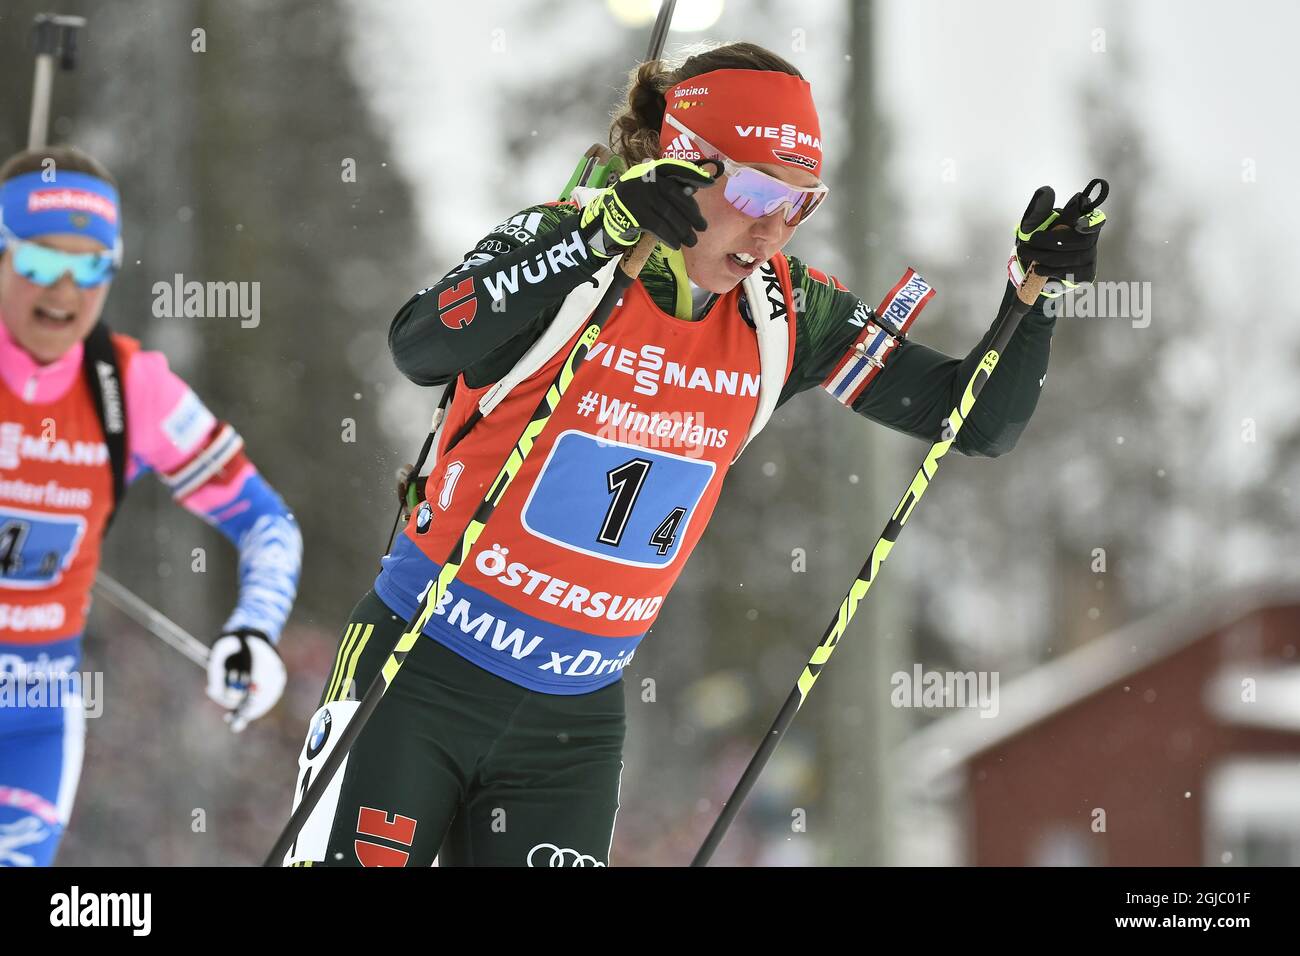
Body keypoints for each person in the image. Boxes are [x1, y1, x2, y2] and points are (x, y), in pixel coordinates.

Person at [285, 41, 1104, 867]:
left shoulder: (786, 313)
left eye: (799, 204)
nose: (769, 229)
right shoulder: (567, 245)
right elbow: (419, 345)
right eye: (751, 191)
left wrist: (1032, 297)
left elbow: (976, 421)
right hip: (419, 673)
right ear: (682, 162)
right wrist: (596, 235)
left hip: (571, 724)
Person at [0, 146, 303, 866]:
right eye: (41, 262)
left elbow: (267, 522)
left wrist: (254, 630)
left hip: (34, 718)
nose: (65, 289)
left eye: (92, 265)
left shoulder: (130, 389)